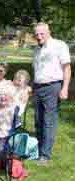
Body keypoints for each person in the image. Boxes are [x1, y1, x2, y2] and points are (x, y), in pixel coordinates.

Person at [33, 22, 72, 165]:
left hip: (52, 87)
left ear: (48, 32)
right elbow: (37, 70)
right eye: (36, 34)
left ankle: (45, 155)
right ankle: (37, 149)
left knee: (49, 121)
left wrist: (65, 88)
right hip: (38, 87)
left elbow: (67, 68)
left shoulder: (59, 45)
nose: (39, 36)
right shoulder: (36, 49)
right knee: (38, 121)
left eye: (42, 33)